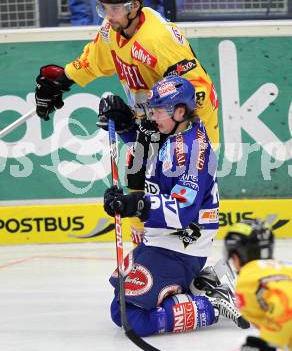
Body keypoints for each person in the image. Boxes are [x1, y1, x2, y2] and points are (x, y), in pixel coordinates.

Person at [34, 0, 219, 246]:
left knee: (173, 190)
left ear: (134, 7)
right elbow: (94, 60)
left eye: (115, 8)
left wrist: (168, 117)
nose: (109, 15)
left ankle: (185, 256)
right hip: (157, 118)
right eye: (104, 8)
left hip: (186, 122)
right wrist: (62, 80)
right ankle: (146, 245)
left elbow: (198, 88)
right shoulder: (113, 31)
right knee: (137, 167)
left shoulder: (158, 40)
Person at [103, 75, 248, 337]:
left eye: (159, 111)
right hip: (162, 240)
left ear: (180, 111)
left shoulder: (192, 151)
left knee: (128, 315)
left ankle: (211, 303)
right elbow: (149, 159)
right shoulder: (173, 133)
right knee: (121, 293)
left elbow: (182, 211)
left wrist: (135, 205)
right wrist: (125, 128)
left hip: (181, 247)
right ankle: (199, 286)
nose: (153, 116)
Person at [224, 220, 292, 351]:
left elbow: (288, 306)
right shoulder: (285, 267)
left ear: (237, 255)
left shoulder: (249, 277)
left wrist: (268, 342)